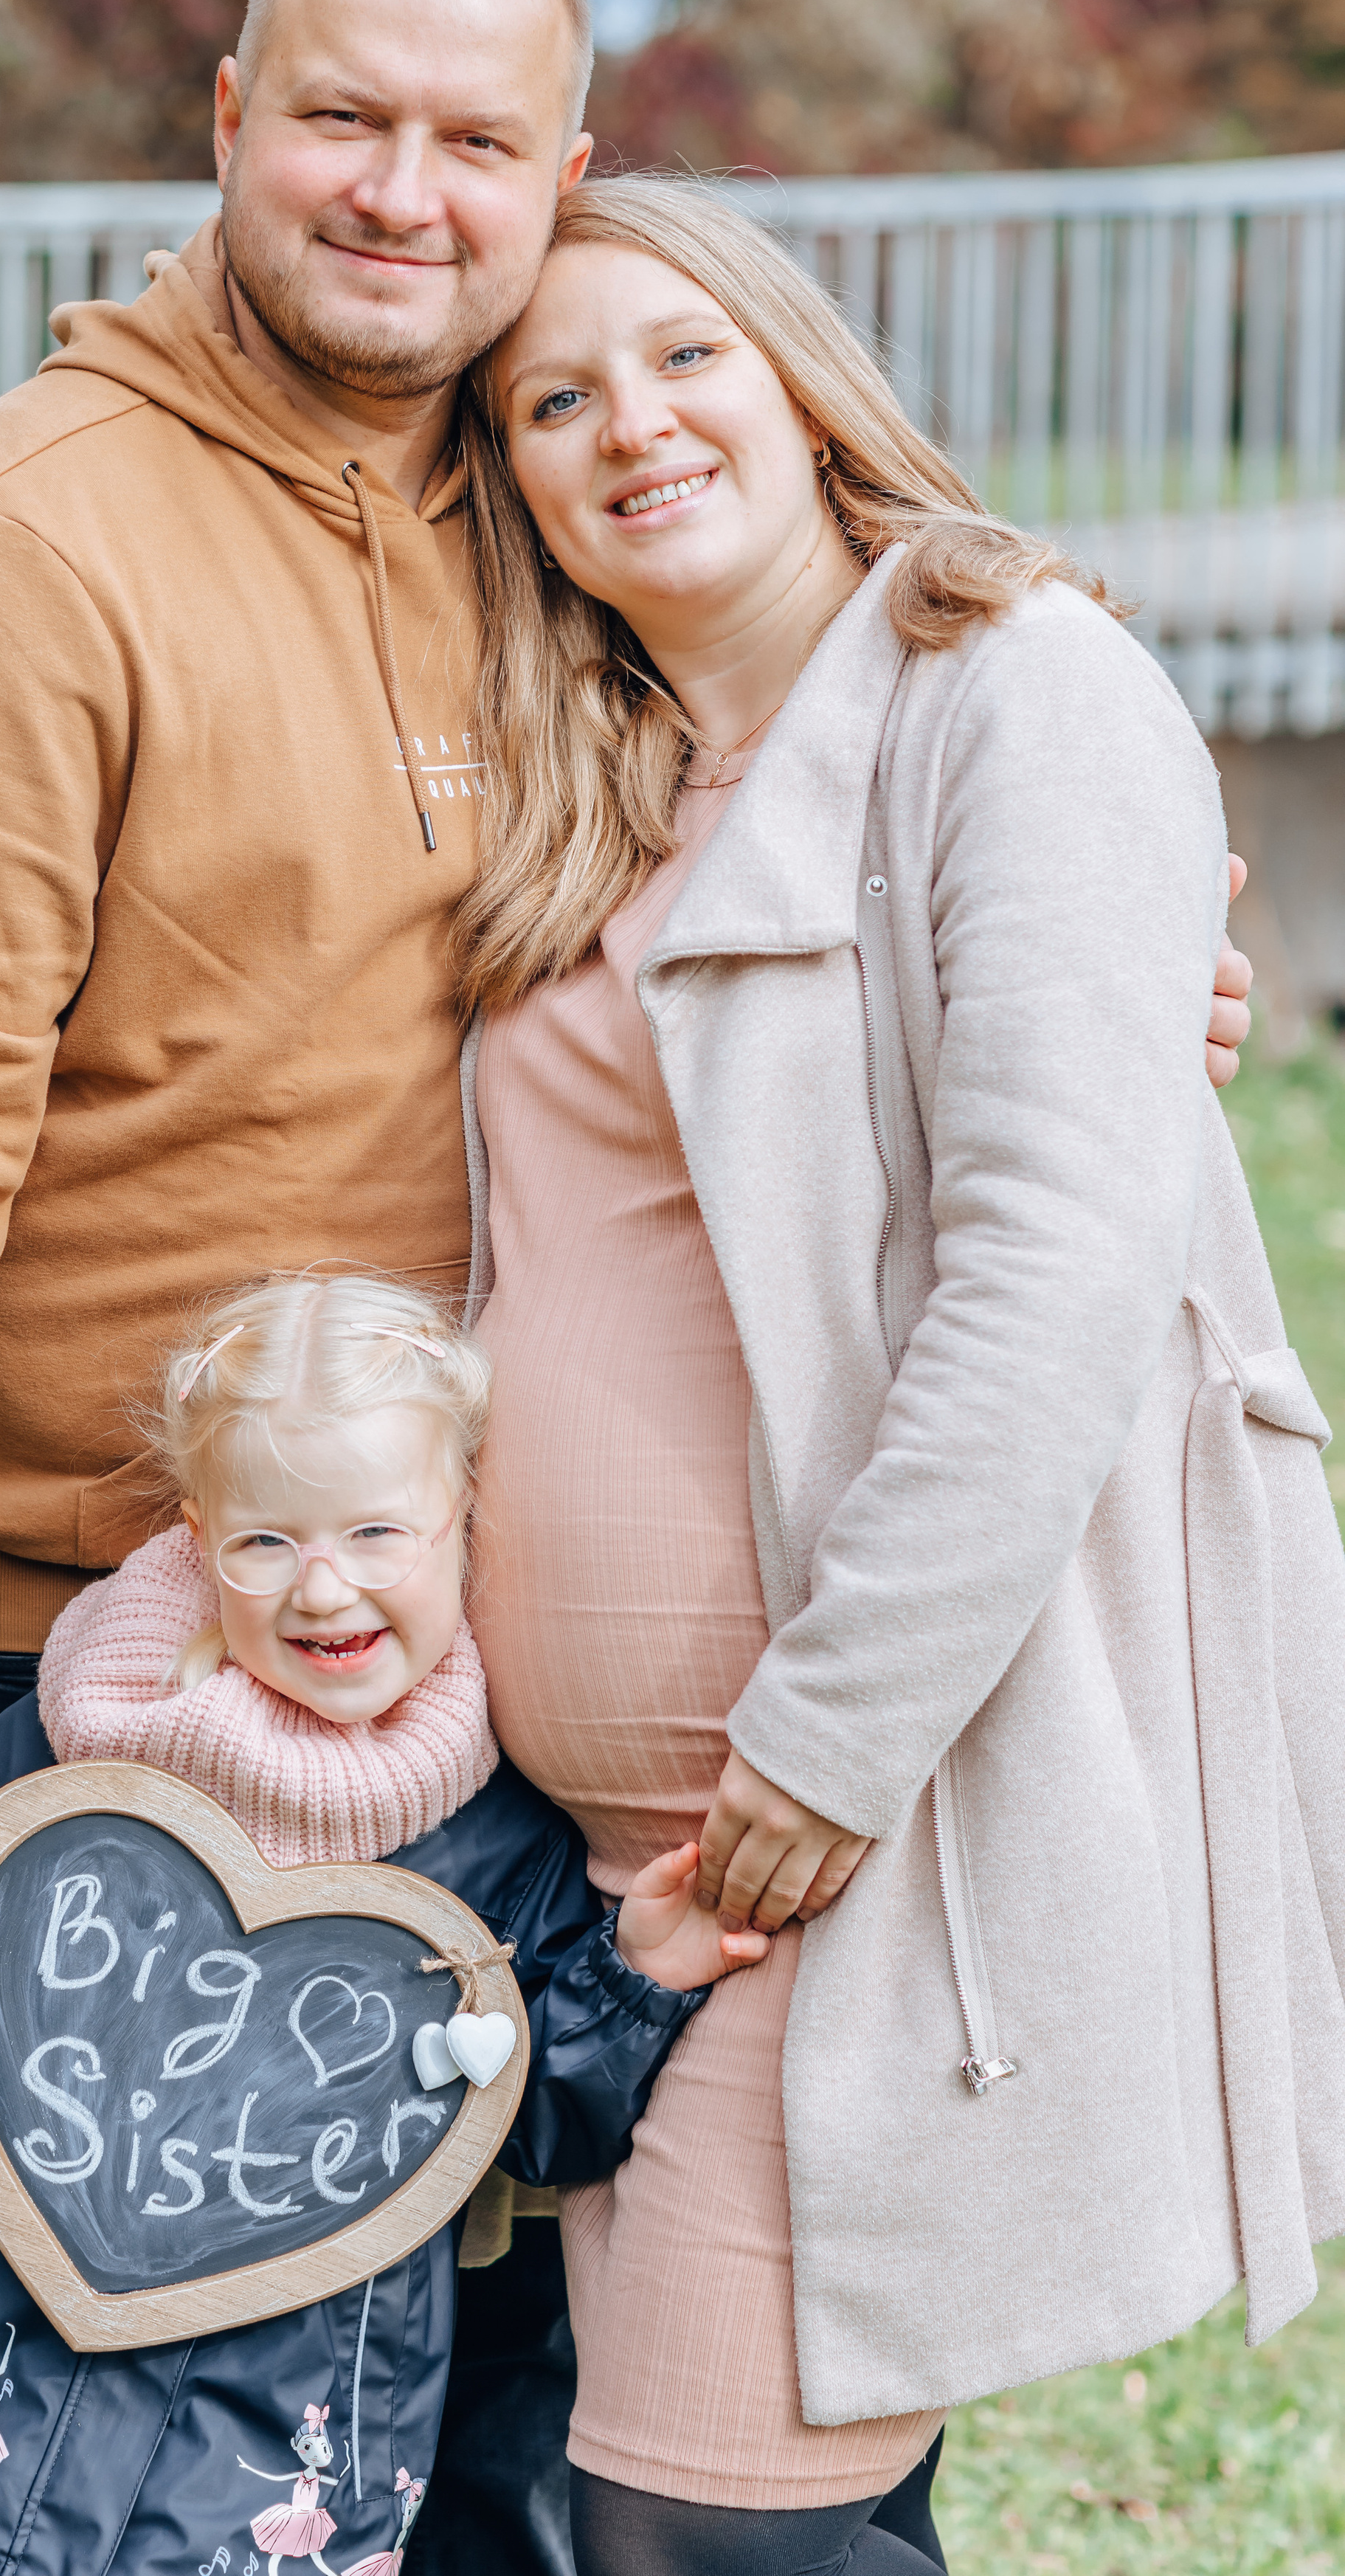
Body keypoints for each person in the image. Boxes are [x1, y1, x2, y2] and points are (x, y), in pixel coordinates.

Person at [0, 0, 1254, 2576]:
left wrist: (1115, 934)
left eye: (475, 140)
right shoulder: (28, 549)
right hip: (118, 1648)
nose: (403, 194)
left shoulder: (537, 529)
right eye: (338, 116)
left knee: (502, 2473)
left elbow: (823, 881)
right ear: (225, 120)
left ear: (573, 163)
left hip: (516, 1754)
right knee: (93, 2484)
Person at [435, 170, 1345, 2576]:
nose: (629, 422)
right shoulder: (598, 777)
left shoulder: (1009, 687)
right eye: (553, 397)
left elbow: (1049, 1263)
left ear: (799, 372)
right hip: (580, 1873)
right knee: (633, 2511)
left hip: (837, 1826)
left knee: (703, 2539)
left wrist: (831, 1742)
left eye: (682, 355)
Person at [0, 1274, 767, 2576]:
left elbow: (530, 2123)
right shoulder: (86, 1743)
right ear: (196, 1536)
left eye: (378, 1534)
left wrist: (636, 1974)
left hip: (269, 2434)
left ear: (465, 1526)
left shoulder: (505, 1834)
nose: (324, 1590)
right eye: (267, 1543)